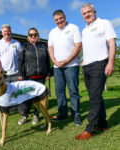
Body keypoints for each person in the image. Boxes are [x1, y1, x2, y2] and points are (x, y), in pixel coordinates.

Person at [76, 3, 116, 140]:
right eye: (84, 13)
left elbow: (112, 43)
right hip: (87, 66)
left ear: (94, 11)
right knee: (96, 96)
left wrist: (110, 62)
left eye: (89, 12)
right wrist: (84, 60)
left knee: (94, 98)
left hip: (100, 64)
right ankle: (102, 124)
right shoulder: (85, 30)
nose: (86, 15)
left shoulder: (104, 23)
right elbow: (87, 47)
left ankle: (90, 129)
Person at [48, 10, 82, 126]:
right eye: (56, 20)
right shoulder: (52, 32)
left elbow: (78, 46)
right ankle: (62, 114)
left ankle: (76, 115)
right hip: (57, 67)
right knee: (59, 92)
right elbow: (50, 48)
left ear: (65, 17)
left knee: (73, 91)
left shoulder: (74, 28)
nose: (59, 21)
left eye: (61, 18)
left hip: (71, 65)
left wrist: (67, 60)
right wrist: (53, 61)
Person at [17, 27, 51, 125]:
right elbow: (20, 61)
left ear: (38, 36)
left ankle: (36, 116)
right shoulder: (24, 47)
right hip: (29, 77)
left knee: (38, 98)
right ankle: (24, 116)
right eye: (31, 35)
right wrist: (20, 74)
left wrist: (48, 73)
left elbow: (47, 62)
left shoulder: (43, 47)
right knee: (28, 98)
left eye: (35, 34)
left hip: (41, 77)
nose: (33, 36)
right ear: (28, 37)